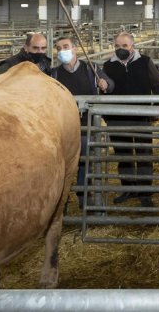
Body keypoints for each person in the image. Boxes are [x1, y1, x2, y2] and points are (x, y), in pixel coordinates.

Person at [51, 37, 115, 210]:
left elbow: (110, 85)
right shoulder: (54, 74)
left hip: (86, 124)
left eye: (65, 46)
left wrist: (105, 84)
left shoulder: (91, 68)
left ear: (75, 49)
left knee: (84, 157)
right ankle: (61, 198)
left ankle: (83, 193)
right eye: (58, 48)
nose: (62, 50)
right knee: (61, 161)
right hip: (62, 125)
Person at [103, 32, 159, 207]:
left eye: (124, 46)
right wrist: (107, 115)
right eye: (117, 46)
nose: (120, 49)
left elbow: (158, 85)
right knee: (124, 155)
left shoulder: (145, 62)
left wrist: (156, 109)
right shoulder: (108, 65)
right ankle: (128, 188)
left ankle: (145, 192)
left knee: (144, 153)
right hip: (117, 118)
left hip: (141, 116)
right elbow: (104, 91)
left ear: (132, 46)